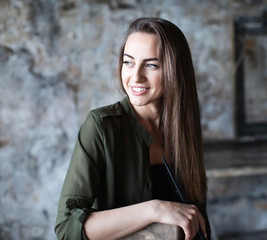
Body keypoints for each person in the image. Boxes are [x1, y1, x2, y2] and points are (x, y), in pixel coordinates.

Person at [55, 17, 210, 240]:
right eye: (128, 62)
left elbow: (196, 217)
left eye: (151, 65)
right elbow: (66, 227)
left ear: (175, 70)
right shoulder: (101, 126)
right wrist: (154, 209)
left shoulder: (184, 127)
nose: (135, 77)